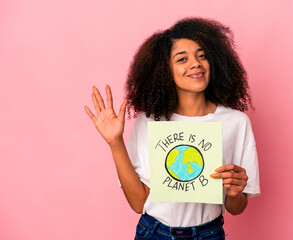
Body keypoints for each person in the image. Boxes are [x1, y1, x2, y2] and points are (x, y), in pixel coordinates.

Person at [84, 17, 260, 240]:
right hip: (155, 233)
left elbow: (236, 207)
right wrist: (115, 142)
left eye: (202, 55)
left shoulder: (236, 122)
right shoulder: (149, 122)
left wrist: (235, 192)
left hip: (210, 233)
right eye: (182, 59)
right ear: (165, 70)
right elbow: (139, 203)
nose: (195, 63)